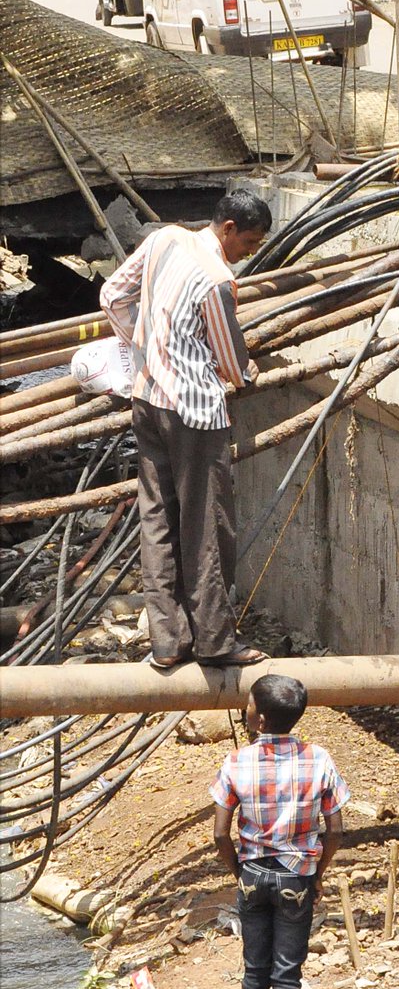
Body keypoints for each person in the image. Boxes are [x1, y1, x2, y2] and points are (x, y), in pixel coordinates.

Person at [100, 191, 272, 670]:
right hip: (194, 414)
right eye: (250, 242)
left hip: (147, 400)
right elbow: (232, 363)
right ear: (229, 227)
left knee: (157, 520)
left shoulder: (164, 239)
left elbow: (112, 295)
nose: (250, 252)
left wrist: (144, 344)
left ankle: (168, 642)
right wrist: (243, 372)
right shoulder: (218, 280)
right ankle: (216, 643)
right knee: (207, 526)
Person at [212, 674, 350, 989]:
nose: (246, 709)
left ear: (258, 720)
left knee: (255, 969)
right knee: (287, 974)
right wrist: (316, 874)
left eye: (250, 704)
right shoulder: (319, 759)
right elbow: (335, 830)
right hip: (298, 876)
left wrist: (239, 872)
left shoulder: (236, 761)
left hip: (253, 875)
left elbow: (221, 835)